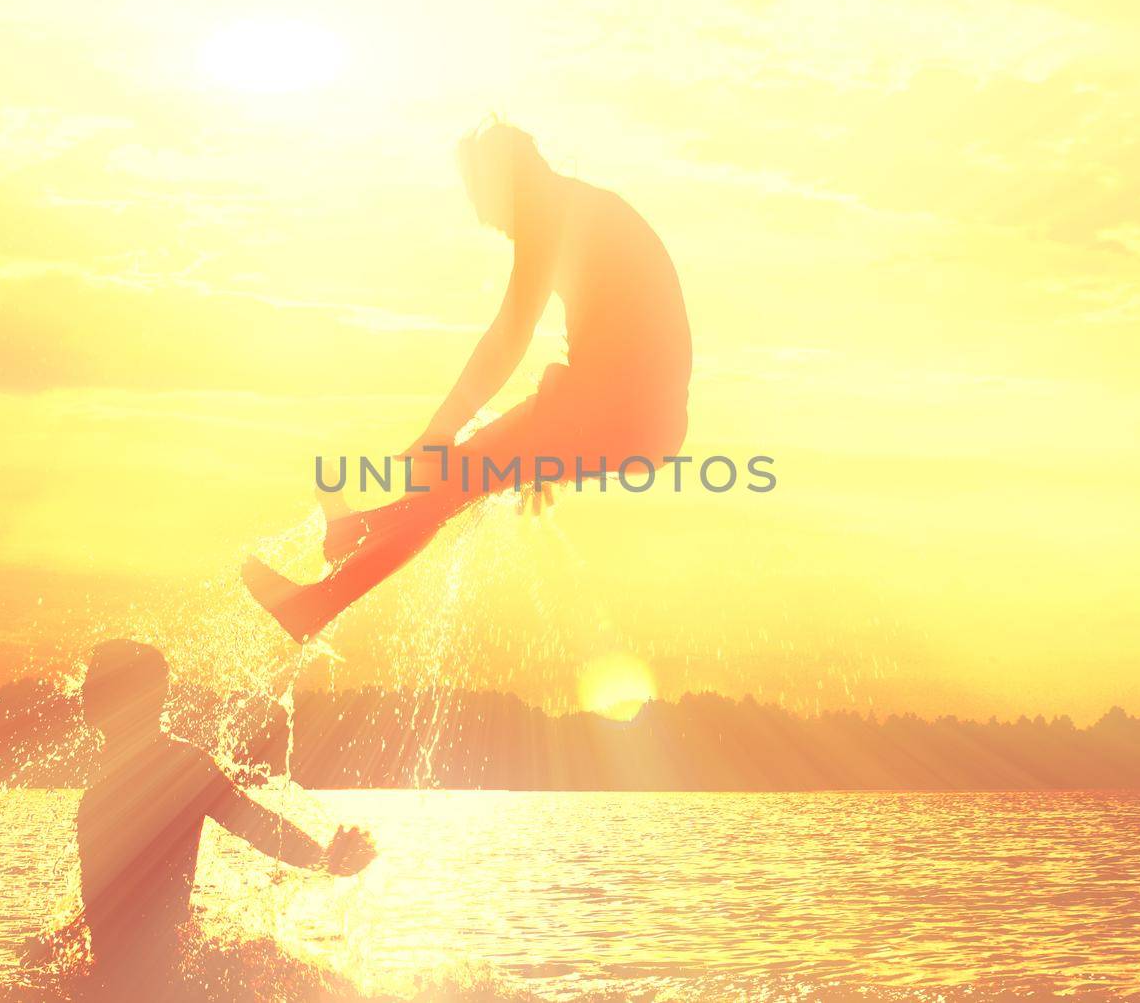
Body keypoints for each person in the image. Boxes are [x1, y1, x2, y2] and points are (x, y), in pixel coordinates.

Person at [244, 121, 691, 642]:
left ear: (505, 181)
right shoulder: (578, 208)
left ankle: (322, 592)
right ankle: (349, 542)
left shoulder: (550, 215)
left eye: (481, 197)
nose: (485, 219)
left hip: (616, 413)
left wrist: (441, 431)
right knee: (455, 481)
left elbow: (510, 334)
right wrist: (552, 449)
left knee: (452, 478)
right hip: (624, 415)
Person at [63, 638, 375, 997]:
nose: (83, 691)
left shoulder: (176, 766)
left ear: (125, 696)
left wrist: (324, 858)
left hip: (152, 981)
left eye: (94, 681)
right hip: (126, 981)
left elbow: (253, 823)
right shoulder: (112, 777)